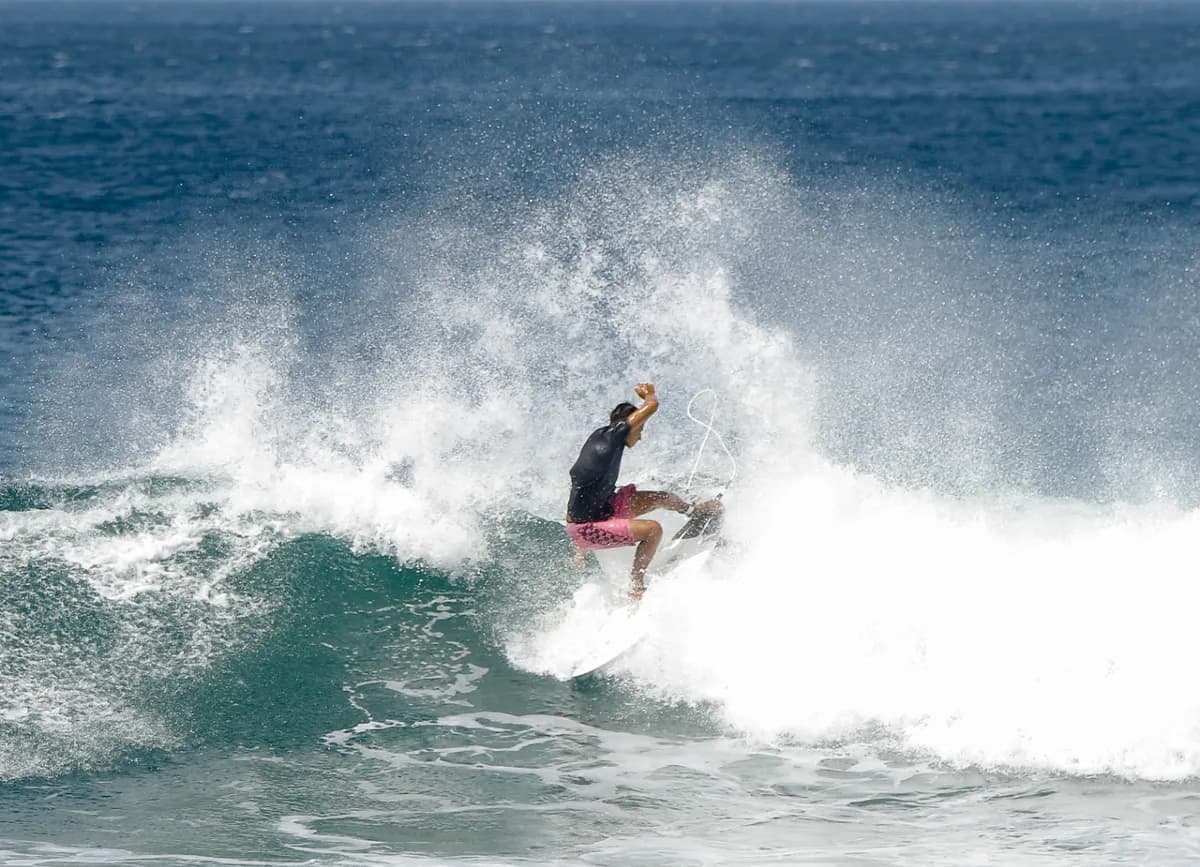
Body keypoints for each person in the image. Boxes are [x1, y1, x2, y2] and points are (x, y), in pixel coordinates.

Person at [566, 382, 721, 601]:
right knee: (653, 530)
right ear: (628, 426)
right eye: (640, 429)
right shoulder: (612, 438)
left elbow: (580, 491)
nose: (640, 436)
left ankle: (694, 511)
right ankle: (636, 586)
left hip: (604, 506)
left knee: (662, 498)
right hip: (585, 527)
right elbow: (652, 405)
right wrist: (648, 394)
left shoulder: (604, 437)